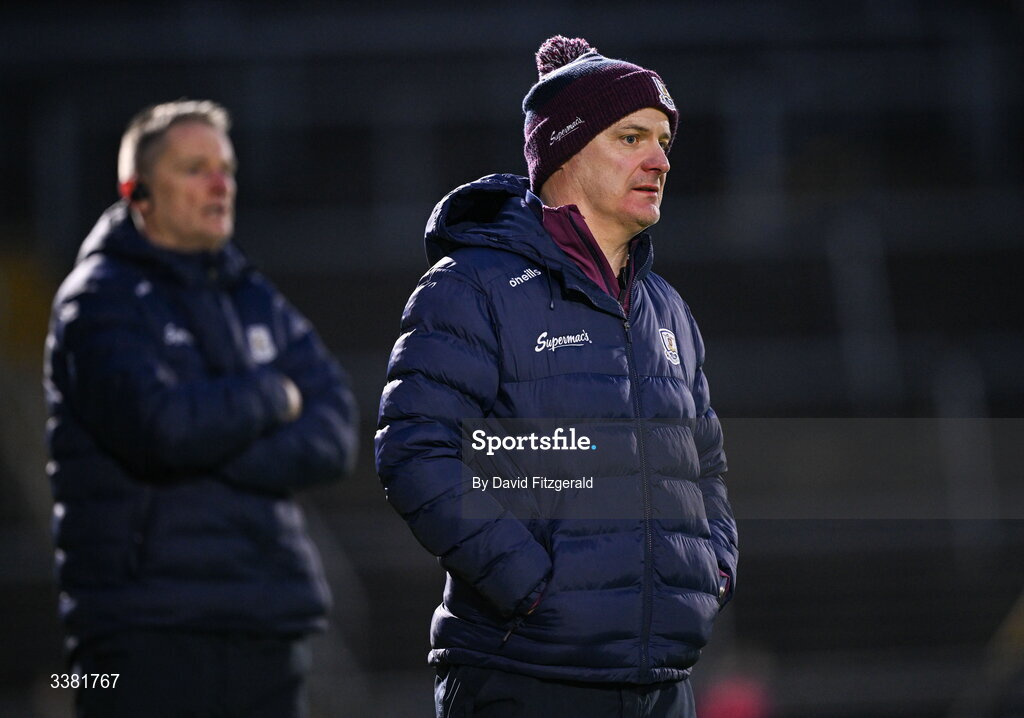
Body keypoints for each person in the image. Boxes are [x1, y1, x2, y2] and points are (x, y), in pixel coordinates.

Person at [375, 36, 737, 717]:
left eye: (663, 141)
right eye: (632, 137)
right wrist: (532, 588)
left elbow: (706, 463)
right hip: (524, 674)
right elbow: (417, 452)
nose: (659, 160)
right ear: (566, 149)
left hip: (663, 685)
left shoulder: (667, 308)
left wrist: (711, 573)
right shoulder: (470, 287)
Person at [44, 99, 358, 718]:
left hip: (267, 622)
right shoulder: (98, 300)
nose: (221, 184)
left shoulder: (252, 294)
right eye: (195, 168)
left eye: (227, 168)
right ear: (138, 193)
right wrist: (272, 396)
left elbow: (335, 433)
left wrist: (211, 433)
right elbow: (160, 431)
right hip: (144, 633)